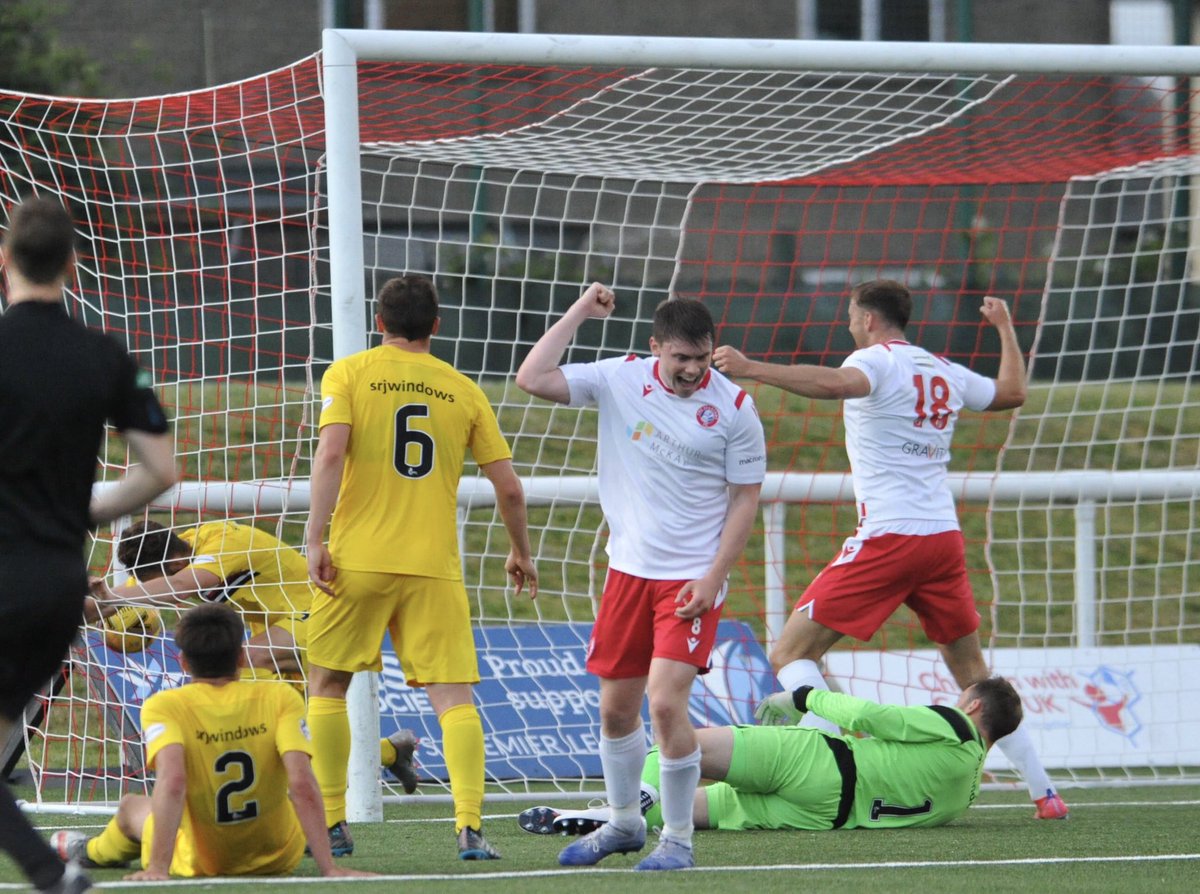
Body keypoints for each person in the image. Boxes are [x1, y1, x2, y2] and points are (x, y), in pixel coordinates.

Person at [712, 278, 1068, 820]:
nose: (849, 324)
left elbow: (836, 384)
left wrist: (753, 367)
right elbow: (1011, 393)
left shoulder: (876, 361)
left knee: (790, 654)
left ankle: (822, 748)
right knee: (974, 676)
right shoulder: (942, 369)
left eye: (852, 316)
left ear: (869, 319)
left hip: (891, 537)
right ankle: (1045, 793)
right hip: (942, 541)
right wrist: (1004, 329)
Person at [515, 284, 767, 871]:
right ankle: (625, 823)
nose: (692, 370)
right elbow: (532, 377)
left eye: (702, 358)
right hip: (627, 574)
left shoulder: (734, 409)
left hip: (689, 583)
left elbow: (745, 500)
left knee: (663, 705)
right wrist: (580, 310)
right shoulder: (619, 378)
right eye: (681, 358)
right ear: (656, 348)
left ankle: (677, 839)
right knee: (614, 712)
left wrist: (713, 578)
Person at [305, 273, 538, 860]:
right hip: (433, 568)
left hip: (356, 562)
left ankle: (332, 824)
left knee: (329, 684)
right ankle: (469, 828)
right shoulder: (463, 389)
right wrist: (521, 551)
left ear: (378, 323)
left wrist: (314, 536)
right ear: (436, 325)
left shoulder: (349, 373)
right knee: (453, 698)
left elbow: (332, 452)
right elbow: (508, 488)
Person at [0, 195, 178, 894]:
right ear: (73, 265)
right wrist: (88, 511)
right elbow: (162, 471)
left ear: (6, 262)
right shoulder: (104, 355)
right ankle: (55, 876)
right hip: (59, 582)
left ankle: (52, 875)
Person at [49, 604, 375, 881]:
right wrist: (329, 867)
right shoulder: (281, 697)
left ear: (184, 662)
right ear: (242, 656)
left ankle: (89, 851)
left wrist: (159, 868)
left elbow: (174, 782)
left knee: (132, 807)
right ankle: (95, 849)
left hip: (204, 861)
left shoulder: (166, 706)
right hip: (279, 857)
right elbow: (302, 783)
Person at [90, 520, 419, 791]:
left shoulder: (221, 545)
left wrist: (112, 598)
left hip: (322, 614)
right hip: (283, 627)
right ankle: (389, 752)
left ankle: (251, 772)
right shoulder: (165, 555)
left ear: (173, 562)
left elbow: (184, 584)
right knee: (295, 732)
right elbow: (122, 595)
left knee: (245, 665)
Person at [520, 675, 1023, 836]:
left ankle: (622, 814)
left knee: (679, 747)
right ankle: (611, 815)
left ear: (973, 705)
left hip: (819, 761)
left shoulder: (957, 726)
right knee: (687, 811)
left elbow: (876, 717)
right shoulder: (968, 794)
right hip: (821, 816)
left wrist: (803, 697)